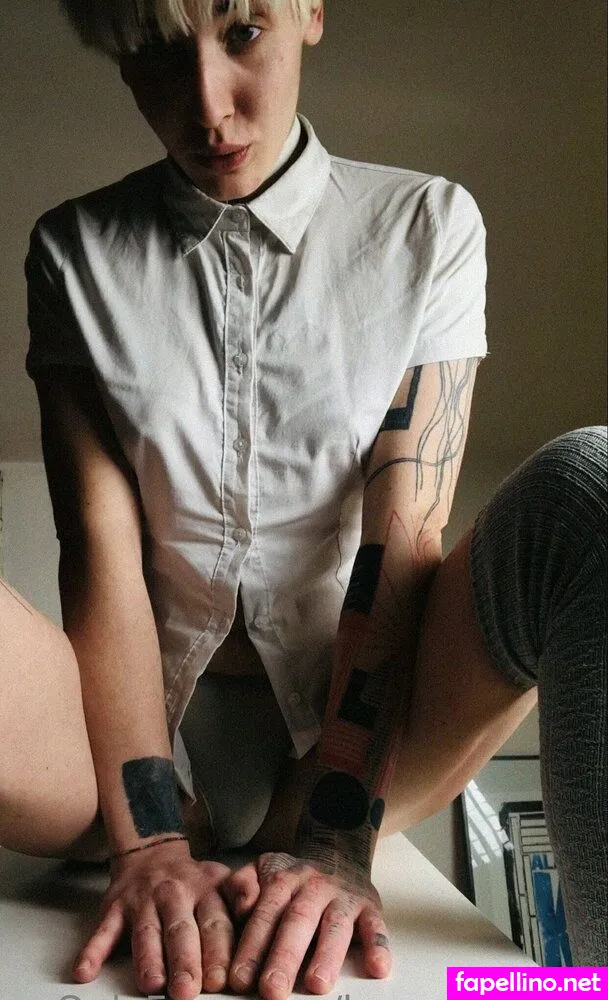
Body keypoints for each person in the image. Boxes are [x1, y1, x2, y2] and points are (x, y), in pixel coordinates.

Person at [0, 1, 605, 997]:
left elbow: (401, 539)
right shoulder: (73, 250)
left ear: (308, 11)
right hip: (115, 738)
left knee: (592, 481)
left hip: (359, 730)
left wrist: (334, 838)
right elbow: (98, 552)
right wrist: (148, 841)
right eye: (159, 53)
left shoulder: (427, 226)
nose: (207, 107)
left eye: (242, 33)